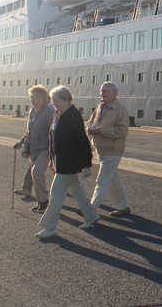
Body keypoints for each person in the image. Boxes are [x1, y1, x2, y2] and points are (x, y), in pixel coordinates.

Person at [36, 86, 99, 238]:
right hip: (62, 161)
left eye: (56, 101)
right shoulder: (60, 113)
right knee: (77, 191)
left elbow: (82, 141)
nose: (54, 104)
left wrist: (86, 164)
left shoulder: (72, 116)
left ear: (66, 100)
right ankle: (91, 216)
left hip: (68, 163)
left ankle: (49, 228)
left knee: (55, 195)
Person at [87, 82, 131, 217]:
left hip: (113, 150)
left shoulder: (120, 110)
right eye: (101, 91)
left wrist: (101, 130)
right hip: (101, 149)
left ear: (115, 93)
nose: (102, 94)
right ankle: (123, 206)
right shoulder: (100, 106)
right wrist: (89, 127)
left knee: (102, 180)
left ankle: (89, 210)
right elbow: (91, 121)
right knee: (112, 179)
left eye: (105, 91)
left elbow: (122, 131)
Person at [13, 85, 54, 213]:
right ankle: (41, 199)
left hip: (46, 148)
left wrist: (53, 147)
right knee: (35, 173)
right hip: (34, 148)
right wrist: (21, 142)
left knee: (36, 172)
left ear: (43, 97)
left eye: (35, 97)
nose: (32, 100)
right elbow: (29, 130)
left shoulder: (49, 111)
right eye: (31, 97)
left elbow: (53, 130)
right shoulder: (32, 111)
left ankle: (43, 202)